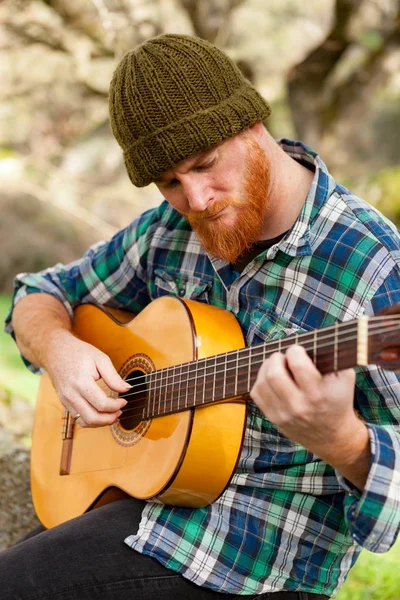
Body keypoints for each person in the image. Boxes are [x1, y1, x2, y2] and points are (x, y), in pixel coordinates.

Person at [1, 33, 400, 600]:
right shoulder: (166, 230)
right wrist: (59, 351)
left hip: (254, 562)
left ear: (252, 125)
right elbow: (39, 295)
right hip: (152, 509)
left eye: (206, 164)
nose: (198, 199)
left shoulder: (373, 265)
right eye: (170, 183)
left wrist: (341, 440)